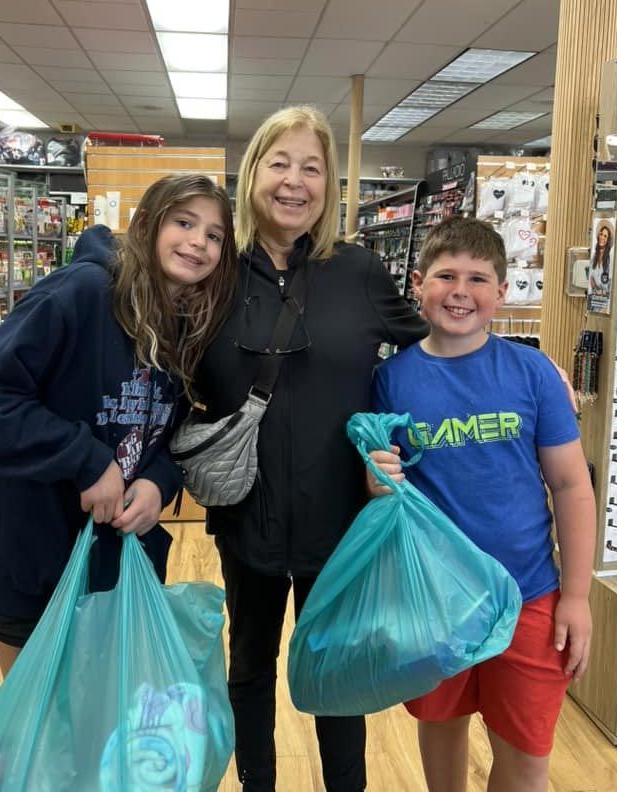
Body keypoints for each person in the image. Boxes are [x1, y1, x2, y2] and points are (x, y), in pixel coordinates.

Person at [192, 105, 429, 791]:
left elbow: (435, 356)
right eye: (280, 162)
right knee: (250, 666)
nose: (295, 181)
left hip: (340, 518)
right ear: (254, 174)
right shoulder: (215, 274)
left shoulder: (357, 272)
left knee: (336, 671)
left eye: (313, 168)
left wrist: (528, 369)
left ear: (329, 187)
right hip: (247, 517)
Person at [0, 174, 238, 677]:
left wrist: (157, 482)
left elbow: (174, 434)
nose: (198, 242)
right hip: (37, 565)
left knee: (106, 740)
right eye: (184, 222)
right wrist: (86, 461)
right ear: (144, 224)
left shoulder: (186, 325)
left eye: (214, 235)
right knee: (41, 743)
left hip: (119, 572)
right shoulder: (80, 292)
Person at [368, 216, 596, 792]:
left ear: (502, 291)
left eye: (478, 278)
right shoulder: (390, 380)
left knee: (525, 755)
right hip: (434, 600)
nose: (460, 291)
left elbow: (571, 486)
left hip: (529, 596)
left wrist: (577, 596)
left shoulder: (534, 373)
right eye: (446, 276)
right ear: (418, 283)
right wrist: (377, 483)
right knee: (441, 723)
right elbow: (384, 491)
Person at [588, 221, 612, 295]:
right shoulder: (594, 256)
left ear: (608, 240)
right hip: (594, 297)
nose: (602, 237)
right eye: (601, 234)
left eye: (605, 236)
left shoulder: (610, 258)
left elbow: (611, 283)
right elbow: (591, 278)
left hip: (606, 300)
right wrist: (597, 290)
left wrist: (602, 292)